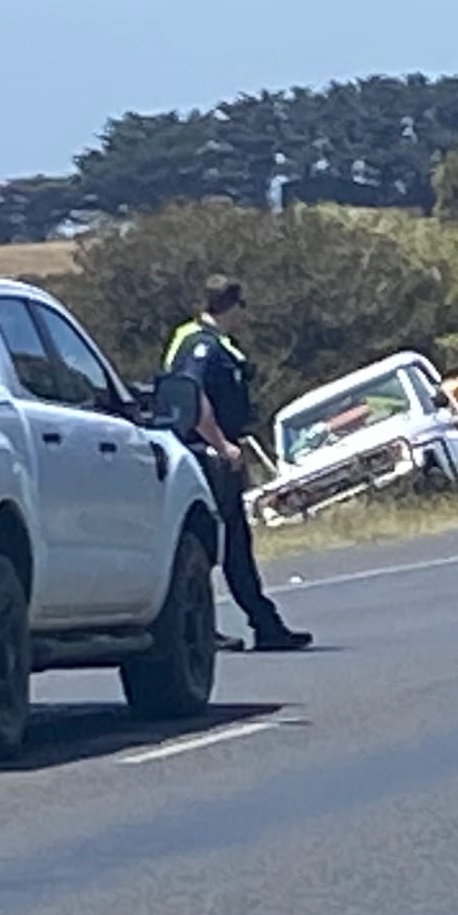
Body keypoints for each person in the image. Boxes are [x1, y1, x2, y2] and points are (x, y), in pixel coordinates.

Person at [165, 275, 313, 653]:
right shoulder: (199, 346)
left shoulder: (213, 343)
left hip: (218, 452)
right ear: (233, 306)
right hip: (205, 455)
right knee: (213, 545)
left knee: (232, 543)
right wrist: (222, 446)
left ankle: (264, 624)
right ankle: (205, 625)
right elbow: (193, 396)